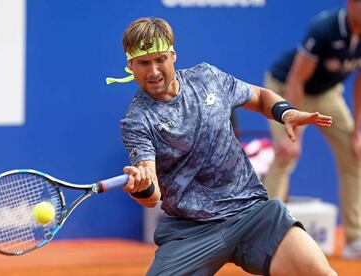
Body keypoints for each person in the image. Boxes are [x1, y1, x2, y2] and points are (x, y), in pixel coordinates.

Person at [108, 17, 336, 275]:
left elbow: (260, 96)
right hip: (191, 231)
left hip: (252, 213)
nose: (154, 71)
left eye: (160, 59)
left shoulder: (207, 77)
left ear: (173, 55)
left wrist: (285, 113)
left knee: (320, 273)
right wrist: (142, 187)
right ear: (130, 65)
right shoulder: (136, 119)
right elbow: (153, 197)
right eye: (144, 63)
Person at [263, 1, 361, 259]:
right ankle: (264, 237)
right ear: (351, 4)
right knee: (287, 153)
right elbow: (297, 79)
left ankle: (355, 238)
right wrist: (291, 132)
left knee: (355, 154)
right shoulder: (324, 28)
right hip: (287, 90)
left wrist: (357, 131)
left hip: (327, 95)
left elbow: (360, 82)